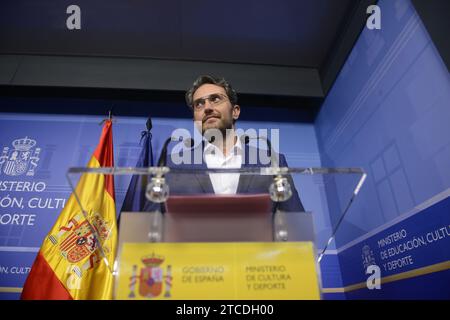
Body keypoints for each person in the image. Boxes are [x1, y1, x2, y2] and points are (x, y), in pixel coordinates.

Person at [144, 75, 304, 212]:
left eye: (215, 99)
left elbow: (295, 224)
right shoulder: (170, 165)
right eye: (199, 104)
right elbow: (150, 225)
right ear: (195, 120)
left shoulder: (272, 161)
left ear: (235, 111)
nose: (207, 108)